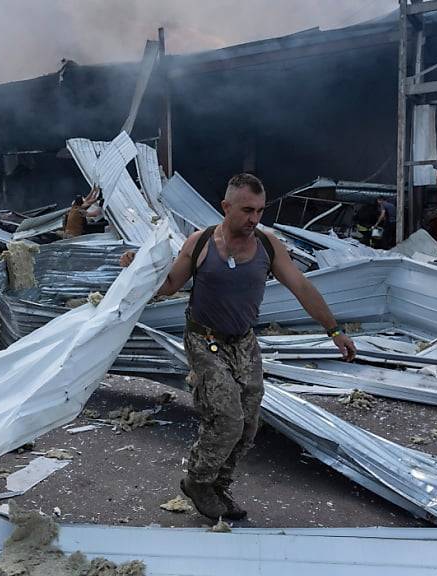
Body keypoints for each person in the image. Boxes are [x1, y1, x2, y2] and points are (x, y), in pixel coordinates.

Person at [120, 173, 357, 521]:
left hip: (243, 342)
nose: (254, 218)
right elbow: (169, 286)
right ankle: (198, 481)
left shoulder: (268, 245)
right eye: (247, 210)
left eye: (260, 210)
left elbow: (302, 287)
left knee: (248, 424)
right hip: (205, 340)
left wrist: (334, 330)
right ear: (226, 207)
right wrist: (137, 269)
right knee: (228, 418)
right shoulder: (199, 244)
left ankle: (218, 486)